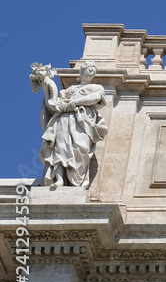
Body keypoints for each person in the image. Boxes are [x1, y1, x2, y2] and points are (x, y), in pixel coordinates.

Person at [31, 59, 108, 187]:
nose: (91, 73)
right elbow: (53, 105)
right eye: (89, 70)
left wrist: (76, 102)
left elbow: (95, 98)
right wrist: (46, 90)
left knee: (81, 148)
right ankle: (60, 179)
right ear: (82, 71)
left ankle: (77, 180)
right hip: (64, 120)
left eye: (93, 72)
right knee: (60, 148)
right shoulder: (69, 90)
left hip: (83, 122)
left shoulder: (96, 87)